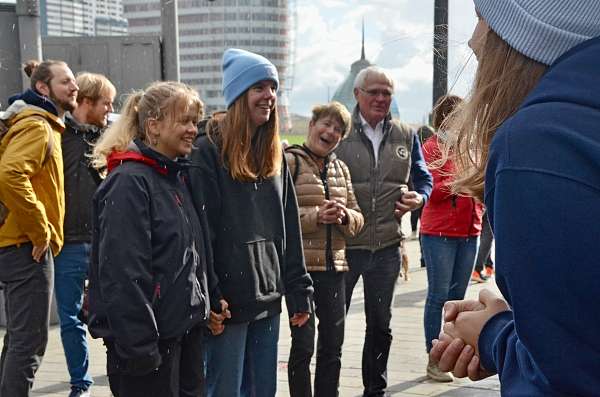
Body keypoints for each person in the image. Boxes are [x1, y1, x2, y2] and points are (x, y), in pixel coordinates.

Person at [429, 1, 600, 395]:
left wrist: (494, 336)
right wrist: (518, 335)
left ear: (528, 35)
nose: (474, 40)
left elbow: (564, 381)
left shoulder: (537, 146)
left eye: (482, 18)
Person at [188, 48, 313, 397]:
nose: (269, 96)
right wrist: (211, 295)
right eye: (259, 86)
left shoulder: (275, 154)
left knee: (263, 392)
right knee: (224, 391)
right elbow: (202, 235)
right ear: (239, 95)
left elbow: (288, 228)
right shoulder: (207, 151)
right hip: (228, 302)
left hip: (268, 298)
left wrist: (298, 290)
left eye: (272, 87)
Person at [87, 81, 210, 397]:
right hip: (148, 350)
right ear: (153, 127)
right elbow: (123, 275)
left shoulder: (173, 177)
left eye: (194, 122)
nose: (192, 130)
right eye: (183, 121)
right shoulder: (130, 183)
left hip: (180, 336)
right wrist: (141, 350)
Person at [335, 66, 433, 396]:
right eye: (374, 92)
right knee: (334, 325)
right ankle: (328, 388)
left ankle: (375, 390)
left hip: (388, 248)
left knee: (380, 325)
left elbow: (424, 179)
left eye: (386, 93)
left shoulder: (407, 134)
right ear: (357, 94)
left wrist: (419, 197)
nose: (380, 98)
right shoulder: (339, 131)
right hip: (345, 248)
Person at [0, 59, 77, 396]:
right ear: (43, 88)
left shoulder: (31, 121)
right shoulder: (38, 126)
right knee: (29, 341)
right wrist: (41, 229)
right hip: (25, 246)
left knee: (19, 339)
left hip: (13, 241)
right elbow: (10, 175)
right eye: (66, 82)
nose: (74, 87)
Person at [285, 102, 364, 397]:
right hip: (301, 272)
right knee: (303, 345)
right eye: (326, 124)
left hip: (335, 269)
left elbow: (358, 218)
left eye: (338, 129)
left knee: (333, 346)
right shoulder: (289, 162)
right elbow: (278, 218)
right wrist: (315, 217)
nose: (330, 132)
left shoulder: (341, 169)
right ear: (312, 125)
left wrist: (344, 216)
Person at [54, 72, 116, 397]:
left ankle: (119, 372)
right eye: (106, 102)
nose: (110, 109)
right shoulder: (57, 135)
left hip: (106, 242)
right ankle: (81, 383)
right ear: (86, 102)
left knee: (113, 313)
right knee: (69, 317)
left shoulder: (111, 138)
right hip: (67, 243)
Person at [419, 94, 483, 382]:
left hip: (470, 231)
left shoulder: (468, 148)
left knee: (457, 299)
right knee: (438, 297)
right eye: (461, 116)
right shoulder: (432, 147)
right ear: (447, 117)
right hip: (439, 233)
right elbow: (430, 191)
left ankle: (450, 354)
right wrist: (466, 181)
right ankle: (434, 358)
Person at [470, 209, 494, 283]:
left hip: (478, 202)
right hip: (483, 203)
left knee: (486, 234)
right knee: (488, 235)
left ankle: (489, 266)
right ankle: (477, 269)